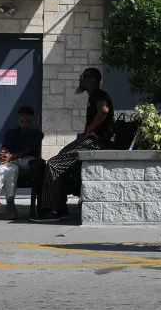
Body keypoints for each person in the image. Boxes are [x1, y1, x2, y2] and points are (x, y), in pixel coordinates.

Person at [35, 67, 114, 221]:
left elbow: (103, 111)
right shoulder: (93, 97)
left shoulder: (99, 95)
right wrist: (71, 145)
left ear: (93, 80)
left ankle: (49, 210)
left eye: (84, 77)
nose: (81, 80)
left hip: (96, 144)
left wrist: (91, 128)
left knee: (54, 165)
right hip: (89, 141)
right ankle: (61, 210)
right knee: (60, 161)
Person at [0, 106, 44, 219]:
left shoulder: (37, 133)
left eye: (27, 117)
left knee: (9, 164)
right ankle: (10, 207)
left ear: (32, 118)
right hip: (13, 163)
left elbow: (30, 149)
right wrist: (1, 154)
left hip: (29, 163)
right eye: (22, 117)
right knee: (11, 168)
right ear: (18, 118)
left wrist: (13, 156)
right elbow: (5, 148)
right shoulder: (11, 133)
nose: (24, 119)